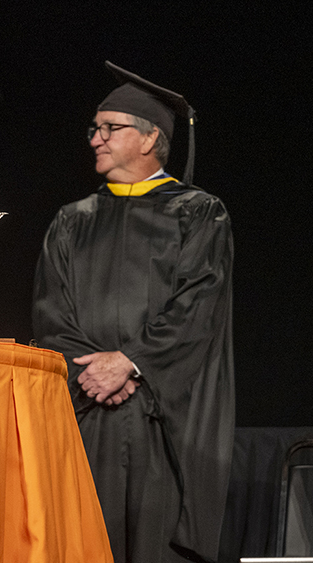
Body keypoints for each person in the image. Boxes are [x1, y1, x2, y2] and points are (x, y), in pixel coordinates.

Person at [32, 62, 234, 563]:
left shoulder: (198, 213)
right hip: (91, 411)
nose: (96, 139)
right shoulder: (72, 221)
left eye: (110, 128)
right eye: (94, 129)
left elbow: (199, 305)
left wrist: (131, 362)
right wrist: (98, 370)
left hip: (160, 417)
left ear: (149, 140)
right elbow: (51, 315)